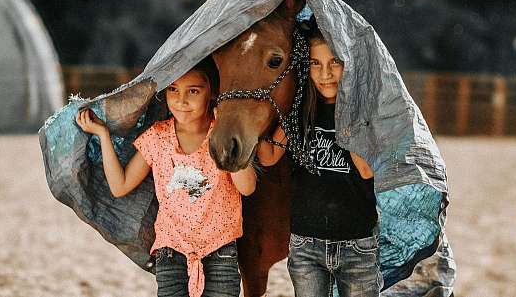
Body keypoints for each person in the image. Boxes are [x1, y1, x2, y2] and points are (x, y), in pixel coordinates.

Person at [76, 57, 257, 297]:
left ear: (212, 93)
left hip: (220, 253)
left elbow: (247, 187)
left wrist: (226, 130)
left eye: (193, 91)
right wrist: (102, 134)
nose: (181, 100)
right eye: (173, 90)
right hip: (171, 254)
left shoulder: (222, 135)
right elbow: (120, 186)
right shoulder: (157, 137)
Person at [257, 20, 382, 297]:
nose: (325, 73)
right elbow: (268, 157)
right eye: (315, 63)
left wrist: (347, 114)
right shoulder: (300, 114)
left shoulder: (365, 114)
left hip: (358, 244)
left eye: (334, 62)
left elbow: (366, 170)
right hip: (306, 245)